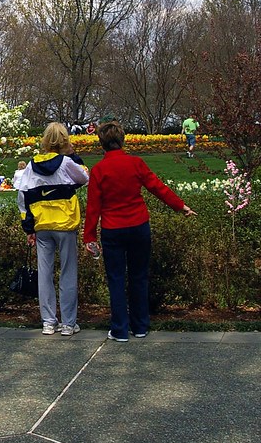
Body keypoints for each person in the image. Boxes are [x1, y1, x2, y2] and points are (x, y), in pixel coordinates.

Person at [84, 121, 195, 342]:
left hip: (113, 229)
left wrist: (89, 237)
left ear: (101, 144)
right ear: (122, 140)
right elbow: (158, 187)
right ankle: (140, 326)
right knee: (139, 277)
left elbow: (93, 207)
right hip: (138, 226)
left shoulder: (98, 170)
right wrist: (180, 206)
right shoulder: (136, 163)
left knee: (116, 279)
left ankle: (119, 329)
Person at [17, 122, 90, 337]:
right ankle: (68, 323)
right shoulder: (67, 162)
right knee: (68, 272)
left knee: (45, 275)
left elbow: (22, 197)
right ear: (65, 140)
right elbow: (84, 178)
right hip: (65, 223)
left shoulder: (31, 165)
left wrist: (28, 227)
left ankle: (48, 322)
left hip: (42, 225)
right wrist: (74, 156)